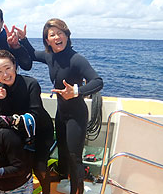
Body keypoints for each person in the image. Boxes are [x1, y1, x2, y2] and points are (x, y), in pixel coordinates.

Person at [17, 19, 104, 194]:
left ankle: (76, 191)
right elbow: (33, 54)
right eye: (52, 34)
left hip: (76, 115)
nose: (57, 37)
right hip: (61, 113)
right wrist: (23, 40)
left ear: (66, 35)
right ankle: (63, 176)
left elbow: (97, 81)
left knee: (74, 157)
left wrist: (77, 91)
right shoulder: (50, 56)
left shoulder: (76, 59)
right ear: (47, 40)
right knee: (63, 151)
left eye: (60, 33)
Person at [0, 50, 54, 194]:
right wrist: (2, 99)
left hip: (40, 131)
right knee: (21, 166)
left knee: (39, 168)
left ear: (15, 66)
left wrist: (11, 120)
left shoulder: (31, 83)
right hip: (17, 133)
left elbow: (35, 113)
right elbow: (2, 119)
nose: (5, 75)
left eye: (8, 68)